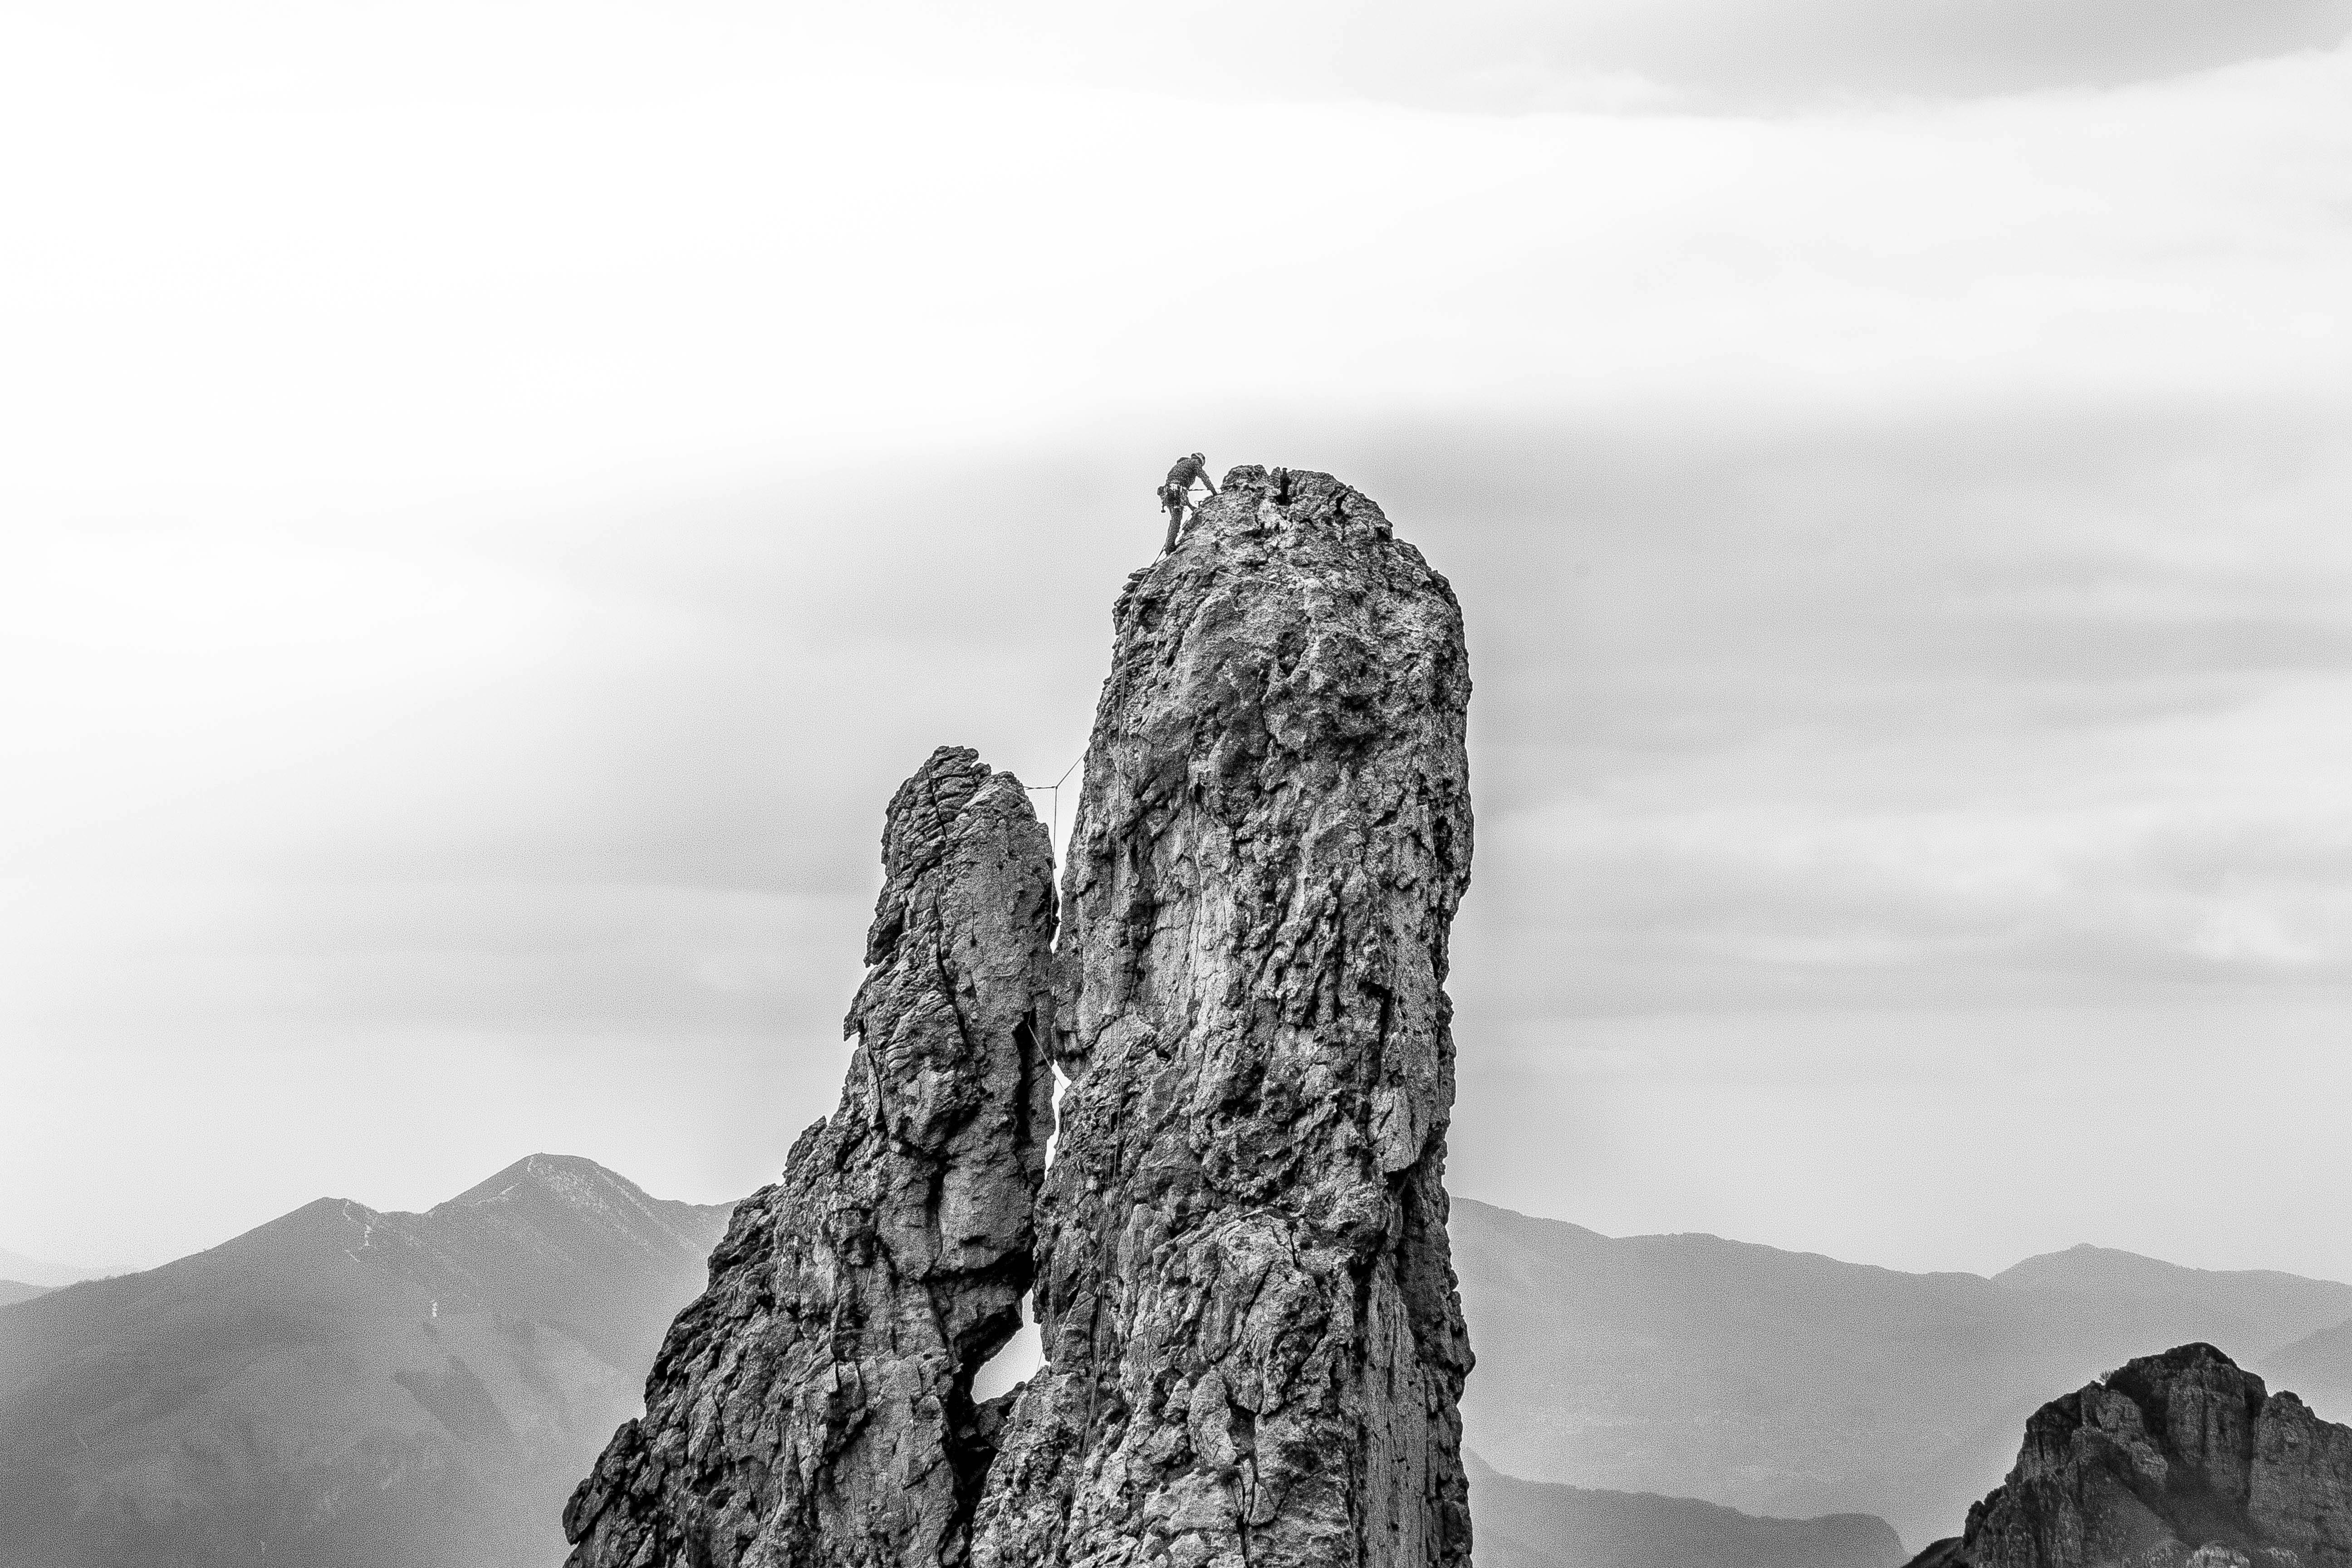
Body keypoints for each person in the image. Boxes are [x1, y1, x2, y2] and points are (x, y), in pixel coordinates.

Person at [1158, 452, 1217, 551]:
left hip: (1168, 492)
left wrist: (1190, 506)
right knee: (1176, 519)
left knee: (1175, 518)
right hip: (1176, 490)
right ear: (1200, 461)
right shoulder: (1195, 463)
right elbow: (1204, 478)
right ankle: (1169, 546)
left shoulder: (1182, 465)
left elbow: (1179, 487)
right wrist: (1214, 492)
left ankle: (1169, 544)